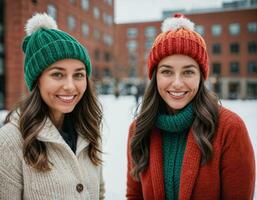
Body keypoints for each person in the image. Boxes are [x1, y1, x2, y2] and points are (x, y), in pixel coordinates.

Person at [126, 13, 255, 200]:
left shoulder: (230, 128)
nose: (177, 83)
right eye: (167, 71)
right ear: (155, 77)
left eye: (188, 72)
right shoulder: (139, 129)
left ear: (201, 77)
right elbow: (134, 195)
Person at [0, 13, 104, 199]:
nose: (70, 86)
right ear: (37, 80)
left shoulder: (88, 130)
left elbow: (99, 193)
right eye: (58, 74)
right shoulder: (10, 141)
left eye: (79, 75)